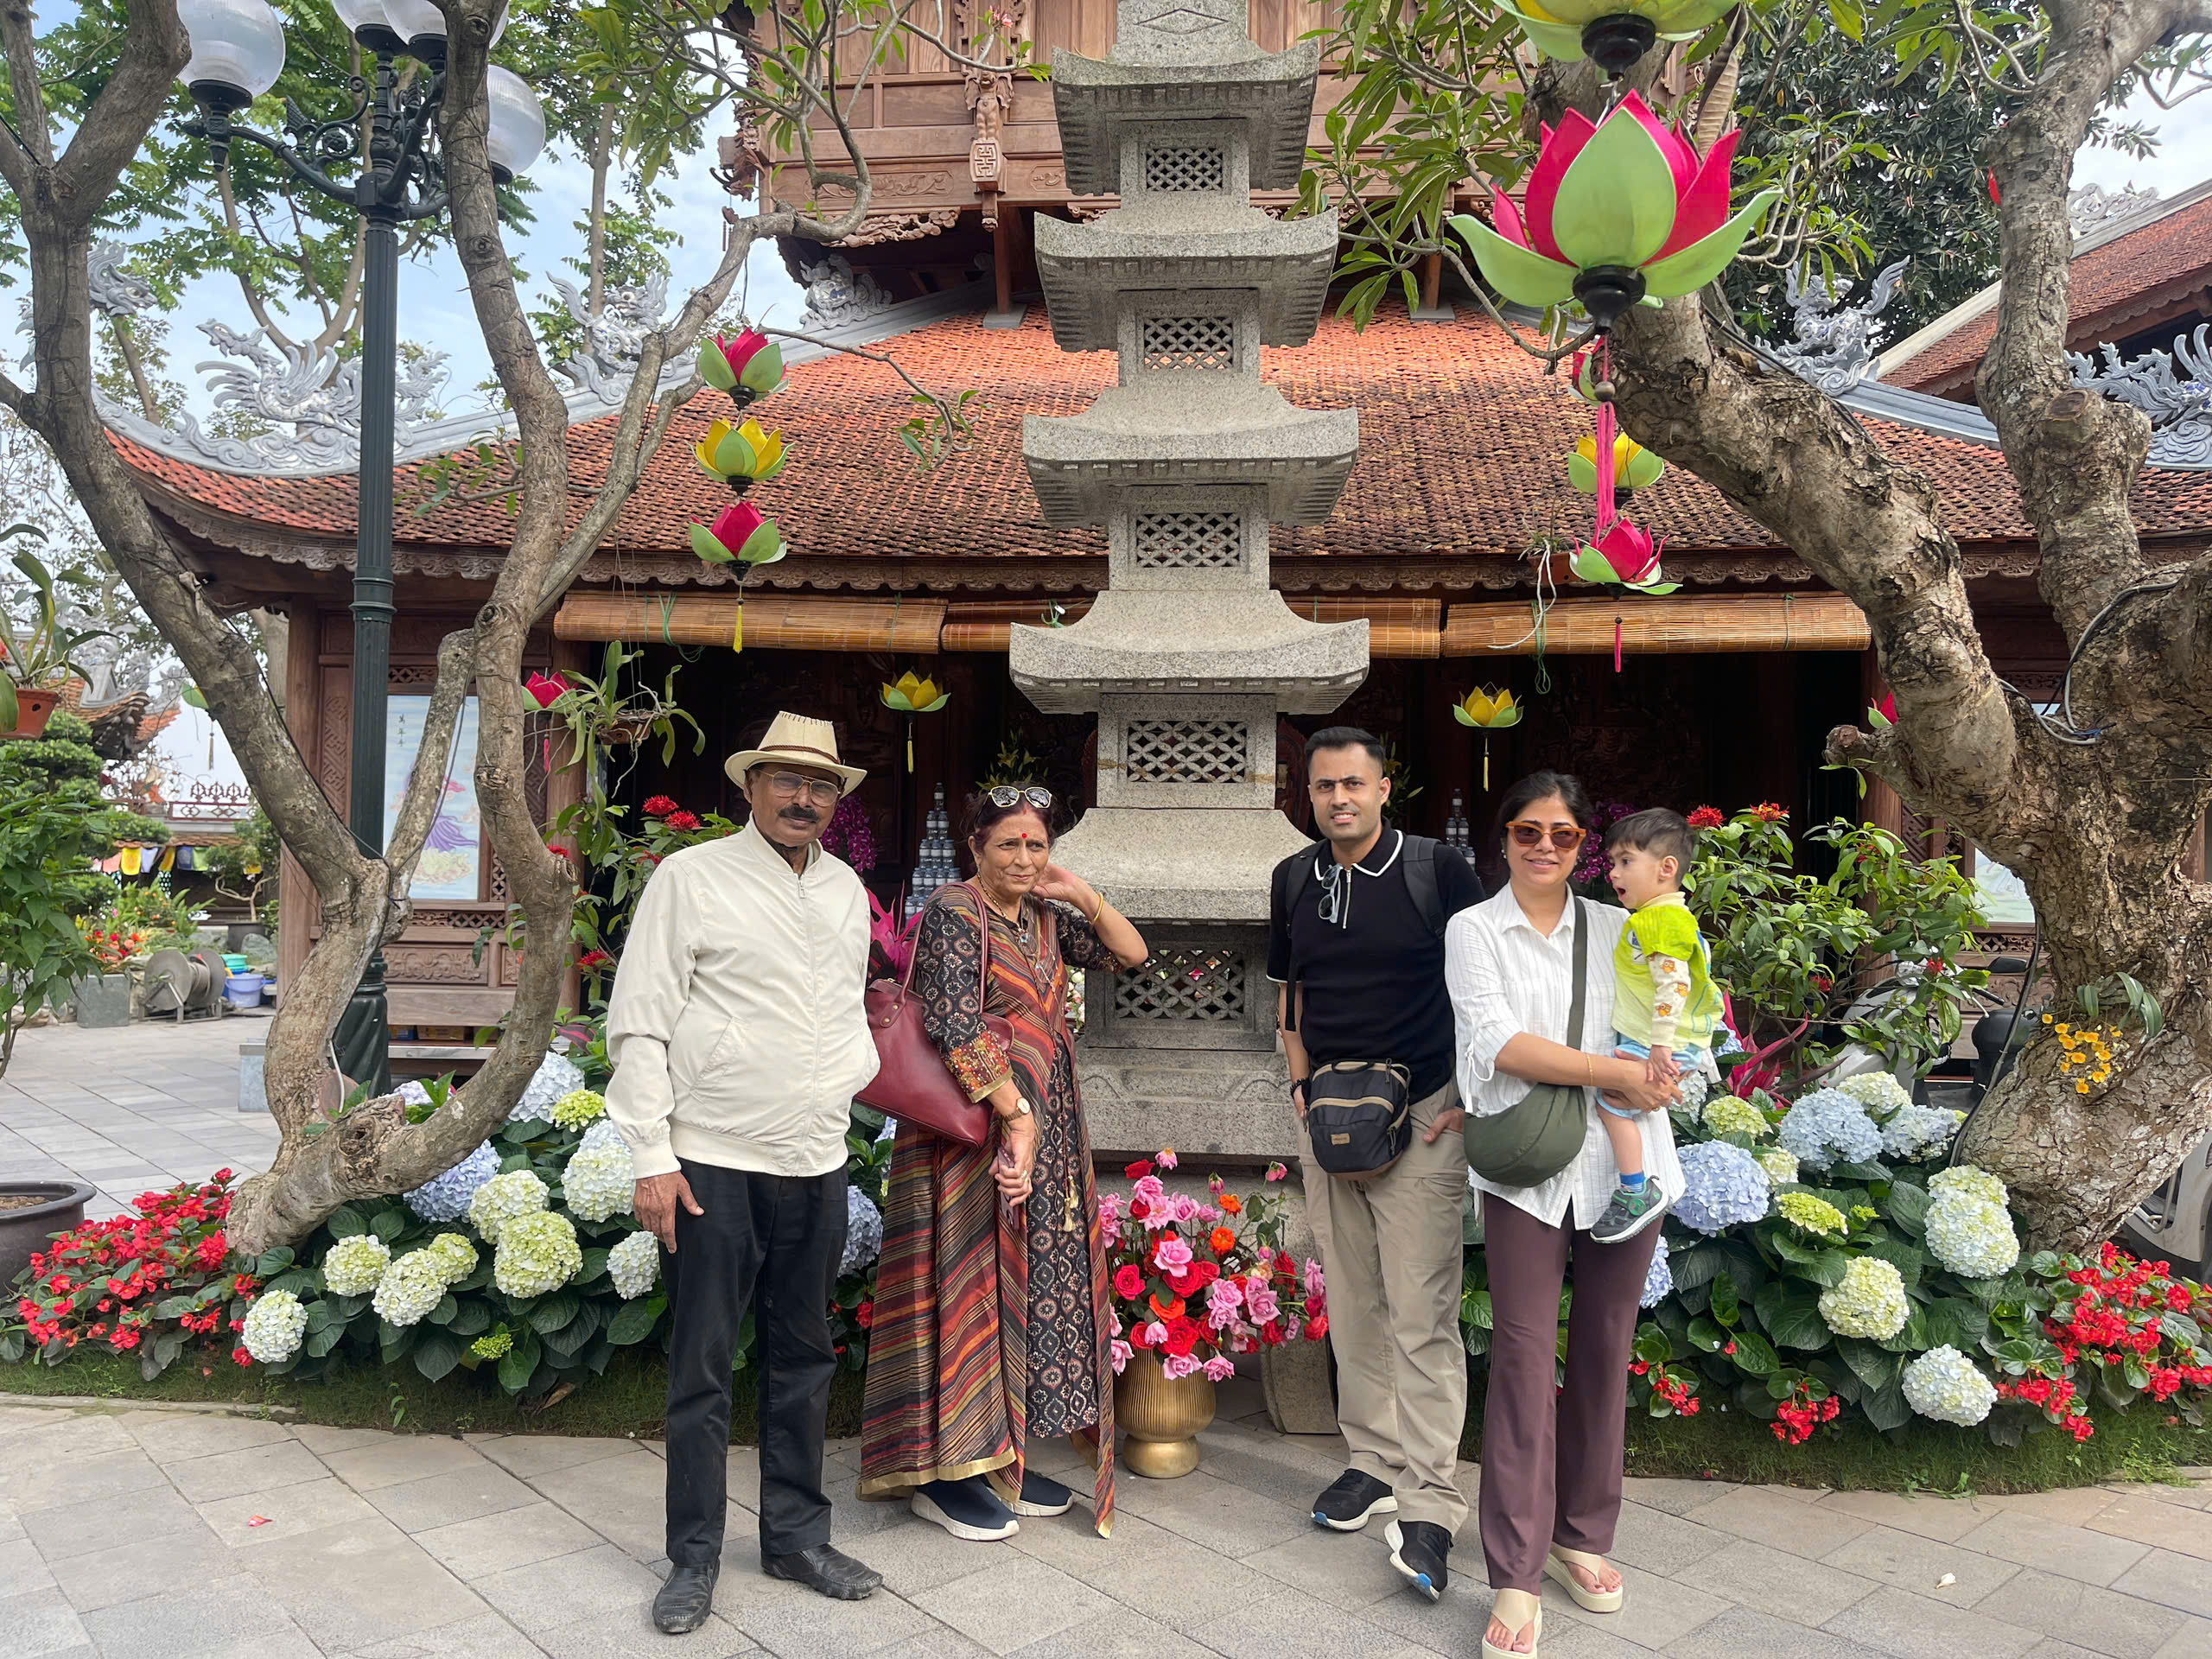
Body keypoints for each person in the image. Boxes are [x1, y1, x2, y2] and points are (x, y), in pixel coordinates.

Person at [603, 712, 886, 1634]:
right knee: (701, 1368)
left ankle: (795, 1537)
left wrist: (850, 1089)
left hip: (815, 1157)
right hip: (711, 1162)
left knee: (803, 1355)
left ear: (836, 800)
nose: (804, 799)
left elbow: (844, 1011)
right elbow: (640, 1019)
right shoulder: (691, 878)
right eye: (787, 782)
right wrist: (652, 1155)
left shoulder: (846, 889)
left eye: (821, 786)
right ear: (751, 787)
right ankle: (691, 1559)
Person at [859, 785, 1148, 1542]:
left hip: (1038, 1126)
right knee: (958, 1284)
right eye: (1008, 845)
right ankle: (940, 1470)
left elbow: (1130, 952)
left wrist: (1079, 890)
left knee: (1013, 1282)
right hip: (967, 1133)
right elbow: (954, 1020)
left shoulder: (1049, 920)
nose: (1024, 859)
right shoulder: (957, 912)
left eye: (1037, 846)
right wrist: (1014, 1114)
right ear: (976, 846)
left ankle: (997, 1454)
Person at [1444, 771, 1683, 1659]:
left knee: (1603, 1350)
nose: (1545, 847)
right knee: (1517, 1355)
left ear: (1588, 846)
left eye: (1564, 835)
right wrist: (1613, 1072)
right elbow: (1496, 1044)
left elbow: (1672, 1010)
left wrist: (1666, 1060)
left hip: (1626, 1166)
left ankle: (1580, 1534)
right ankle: (1513, 1568)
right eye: (1527, 831)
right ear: (1501, 838)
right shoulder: (1474, 931)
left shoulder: (1623, 929)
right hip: (1527, 1175)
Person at [1268, 727, 1486, 1603]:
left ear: (1385, 787)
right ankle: (1372, 1462)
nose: (1339, 800)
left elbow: (1480, 988)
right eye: (1324, 788)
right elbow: (1287, 996)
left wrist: (1466, 1097)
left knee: (1421, 1309)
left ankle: (1431, 1502)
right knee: (1353, 1301)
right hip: (1330, 1115)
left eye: (1354, 784)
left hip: (1425, 1113)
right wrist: (1296, 1084)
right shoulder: (1292, 878)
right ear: (1309, 795)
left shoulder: (1438, 871)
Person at [1591, 808, 1721, 1244]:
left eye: (1626, 861)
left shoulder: (1660, 920)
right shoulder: (1658, 915)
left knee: (1612, 1105)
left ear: (1667, 868)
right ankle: (1635, 1187)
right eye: (1612, 862)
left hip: (1662, 1040)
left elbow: (1673, 986)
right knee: (1620, 1099)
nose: (1613, 873)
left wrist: (1661, 1047)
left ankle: (1634, 1190)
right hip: (1659, 1038)